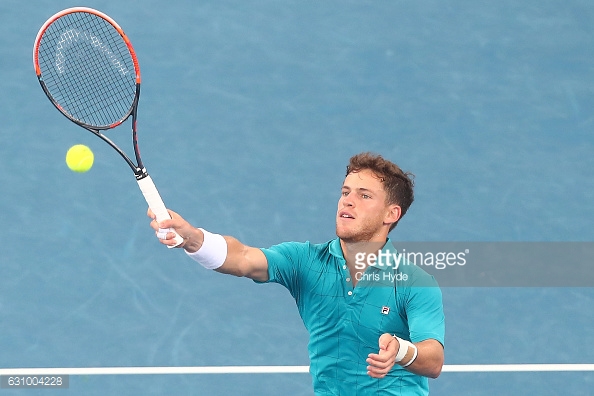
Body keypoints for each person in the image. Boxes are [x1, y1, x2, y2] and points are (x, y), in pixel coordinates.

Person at [149, 152, 445, 395]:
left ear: (391, 214)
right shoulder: (304, 261)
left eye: (364, 195)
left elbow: (433, 361)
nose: (347, 201)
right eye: (345, 192)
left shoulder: (415, 282)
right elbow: (242, 258)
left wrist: (402, 350)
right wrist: (193, 238)